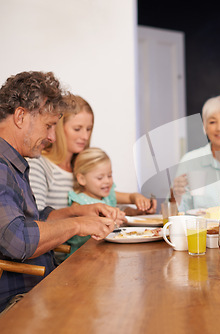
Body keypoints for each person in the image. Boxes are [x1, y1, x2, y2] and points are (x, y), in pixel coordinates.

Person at [0, 71, 124, 313]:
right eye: (48, 126)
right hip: (18, 300)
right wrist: (78, 225)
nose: (51, 137)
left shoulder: (14, 162)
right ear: (21, 116)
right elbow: (18, 240)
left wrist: (79, 212)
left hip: (41, 285)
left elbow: (34, 220)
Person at [66, 147, 157, 257]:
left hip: (107, 252)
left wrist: (138, 198)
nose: (107, 181)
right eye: (100, 178)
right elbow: (82, 229)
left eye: (109, 175)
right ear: (82, 179)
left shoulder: (108, 194)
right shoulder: (79, 203)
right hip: (83, 256)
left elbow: (130, 197)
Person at [28, 94, 94, 210]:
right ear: (58, 128)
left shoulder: (82, 168)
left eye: (88, 129)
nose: (85, 136)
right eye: (77, 129)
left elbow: (103, 198)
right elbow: (35, 219)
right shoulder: (39, 165)